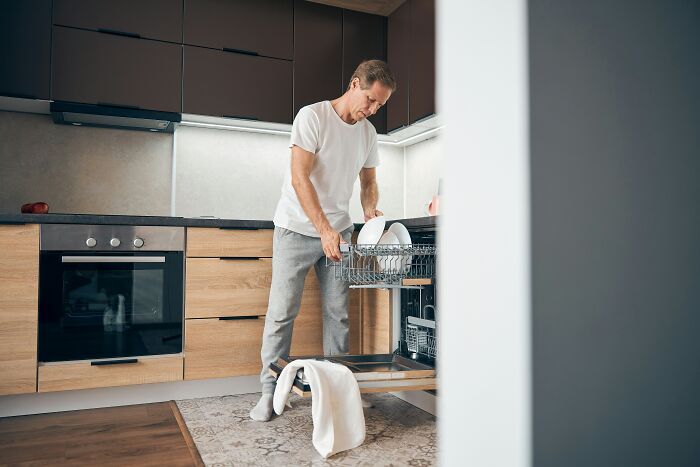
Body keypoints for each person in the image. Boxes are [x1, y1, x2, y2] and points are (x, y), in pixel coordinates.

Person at [250, 59, 396, 422]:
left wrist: (370, 209)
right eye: (370, 99)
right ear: (354, 83)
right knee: (283, 312)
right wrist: (324, 229)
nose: (372, 109)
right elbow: (300, 178)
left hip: (340, 232)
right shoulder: (312, 117)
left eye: (380, 105)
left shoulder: (367, 133)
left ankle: (339, 389)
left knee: (338, 315)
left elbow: (368, 181)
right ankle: (269, 391)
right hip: (297, 228)